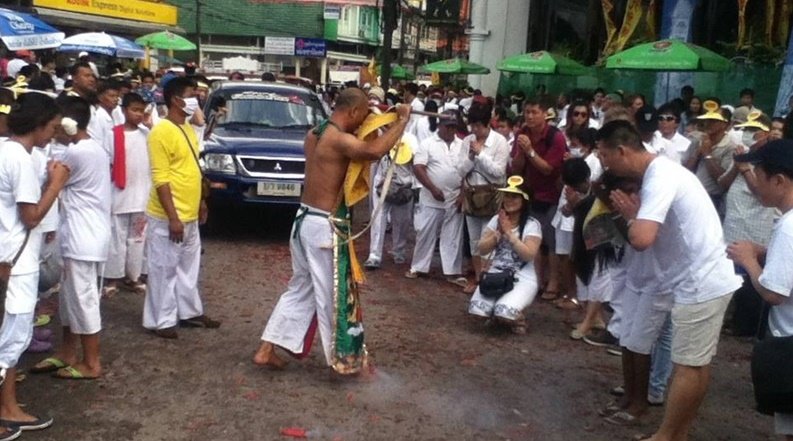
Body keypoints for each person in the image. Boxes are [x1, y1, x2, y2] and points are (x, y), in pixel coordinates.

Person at [600, 120, 741, 441]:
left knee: (690, 365)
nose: (606, 164)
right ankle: (678, 433)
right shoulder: (661, 172)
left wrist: (632, 217)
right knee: (696, 364)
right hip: (699, 279)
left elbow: (641, 238)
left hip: (700, 280)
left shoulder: (660, 176)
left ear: (622, 151)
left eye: (606, 157)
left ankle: (667, 435)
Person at [253, 90, 411, 374]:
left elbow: (363, 146)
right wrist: (402, 122)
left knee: (301, 289)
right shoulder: (337, 139)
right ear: (351, 112)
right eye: (362, 115)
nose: (363, 121)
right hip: (323, 226)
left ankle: (267, 348)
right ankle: (345, 360)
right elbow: (374, 152)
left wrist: (381, 120)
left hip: (304, 220)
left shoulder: (315, 133)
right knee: (333, 296)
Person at [0, 93, 67, 438]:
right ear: (39, 125)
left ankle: (8, 406)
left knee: (9, 336)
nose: (53, 135)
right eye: (52, 127)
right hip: (18, 260)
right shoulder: (21, 159)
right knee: (11, 337)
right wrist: (55, 184)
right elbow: (30, 216)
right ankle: (6, 408)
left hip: (7, 255)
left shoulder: (4, 150)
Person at [30, 97, 111, 380]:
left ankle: (92, 362)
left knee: (83, 300)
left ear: (68, 123)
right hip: (81, 234)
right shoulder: (88, 148)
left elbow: (50, 179)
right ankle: (68, 352)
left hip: (83, 237)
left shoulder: (79, 153)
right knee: (69, 299)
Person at [143, 77, 220, 339]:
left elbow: (192, 169)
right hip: (168, 215)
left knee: (189, 266)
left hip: (188, 211)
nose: (195, 99)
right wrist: (173, 217)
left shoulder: (185, 127)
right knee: (163, 268)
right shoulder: (160, 131)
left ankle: (188, 311)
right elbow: (161, 178)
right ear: (176, 100)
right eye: (191, 95)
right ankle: (161, 320)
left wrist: (200, 202)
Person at [727, 139, 793, 441]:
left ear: (779, 180)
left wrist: (749, 260)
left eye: (759, 174)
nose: (755, 181)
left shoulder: (788, 227)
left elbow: (774, 293)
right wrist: (765, 252)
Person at [719, 112, 776, 336]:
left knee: (752, 279)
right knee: (730, 273)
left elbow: (763, 194)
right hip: (733, 225)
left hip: (756, 229)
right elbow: (722, 184)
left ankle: (746, 327)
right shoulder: (740, 157)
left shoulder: (769, 161)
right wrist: (737, 165)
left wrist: (746, 171)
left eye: (755, 131)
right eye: (747, 130)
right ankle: (731, 319)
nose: (749, 136)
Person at [509, 99, 567, 301]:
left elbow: (548, 169)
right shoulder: (522, 134)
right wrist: (522, 153)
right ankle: (535, 280)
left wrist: (530, 151)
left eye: (534, 112)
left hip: (552, 195)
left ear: (545, 113)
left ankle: (553, 282)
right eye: (527, 112)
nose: (530, 116)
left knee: (551, 242)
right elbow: (516, 167)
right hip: (530, 193)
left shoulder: (555, 137)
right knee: (532, 238)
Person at [468, 176, 541, 334]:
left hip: (521, 277)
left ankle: (517, 316)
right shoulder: (496, 220)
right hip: (496, 273)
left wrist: (509, 234)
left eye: (514, 196)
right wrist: (497, 234)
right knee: (477, 311)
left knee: (504, 313)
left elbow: (528, 255)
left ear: (524, 200)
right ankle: (496, 311)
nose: (509, 199)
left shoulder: (532, 224)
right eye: (507, 195)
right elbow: (482, 249)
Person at [405, 110, 466, 283]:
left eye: (454, 127)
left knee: (453, 235)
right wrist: (432, 188)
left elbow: (467, 171)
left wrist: (463, 193)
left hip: (454, 197)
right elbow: (418, 167)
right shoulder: (428, 144)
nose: (451, 130)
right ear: (439, 126)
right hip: (431, 197)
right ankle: (418, 267)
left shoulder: (462, 145)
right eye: (448, 127)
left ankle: (452, 271)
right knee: (425, 232)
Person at [457, 102, 510, 293]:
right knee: (473, 240)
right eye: (472, 126)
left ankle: (489, 277)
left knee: (489, 237)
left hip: (491, 195)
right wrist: (471, 157)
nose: (475, 130)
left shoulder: (500, 142)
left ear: (488, 123)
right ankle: (479, 277)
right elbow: (460, 170)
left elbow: (498, 172)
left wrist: (480, 155)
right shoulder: (467, 141)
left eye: (479, 126)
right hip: (472, 194)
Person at [102, 93, 150, 297]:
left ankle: (134, 276)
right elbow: (106, 164)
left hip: (142, 195)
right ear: (123, 111)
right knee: (116, 239)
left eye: (142, 110)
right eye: (135, 110)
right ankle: (112, 278)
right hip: (119, 195)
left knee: (137, 239)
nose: (139, 114)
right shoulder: (113, 134)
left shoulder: (147, 134)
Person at [364, 130, 417, 269]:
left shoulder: (411, 139)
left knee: (402, 220)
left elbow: (416, 162)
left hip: (403, 185)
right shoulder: (381, 138)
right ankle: (374, 255)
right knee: (378, 218)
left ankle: (398, 251)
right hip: (383, 182)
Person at [683, 100, 737, 218]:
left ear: (725, 124)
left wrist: (707, 154)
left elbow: (723, 179)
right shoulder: (697, 139)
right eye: (706, 119)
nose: (708, 123)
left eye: (713, 120)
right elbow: (685, 170)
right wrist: (698, 152)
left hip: (712, 199)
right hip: (691, 194)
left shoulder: (730, 147)